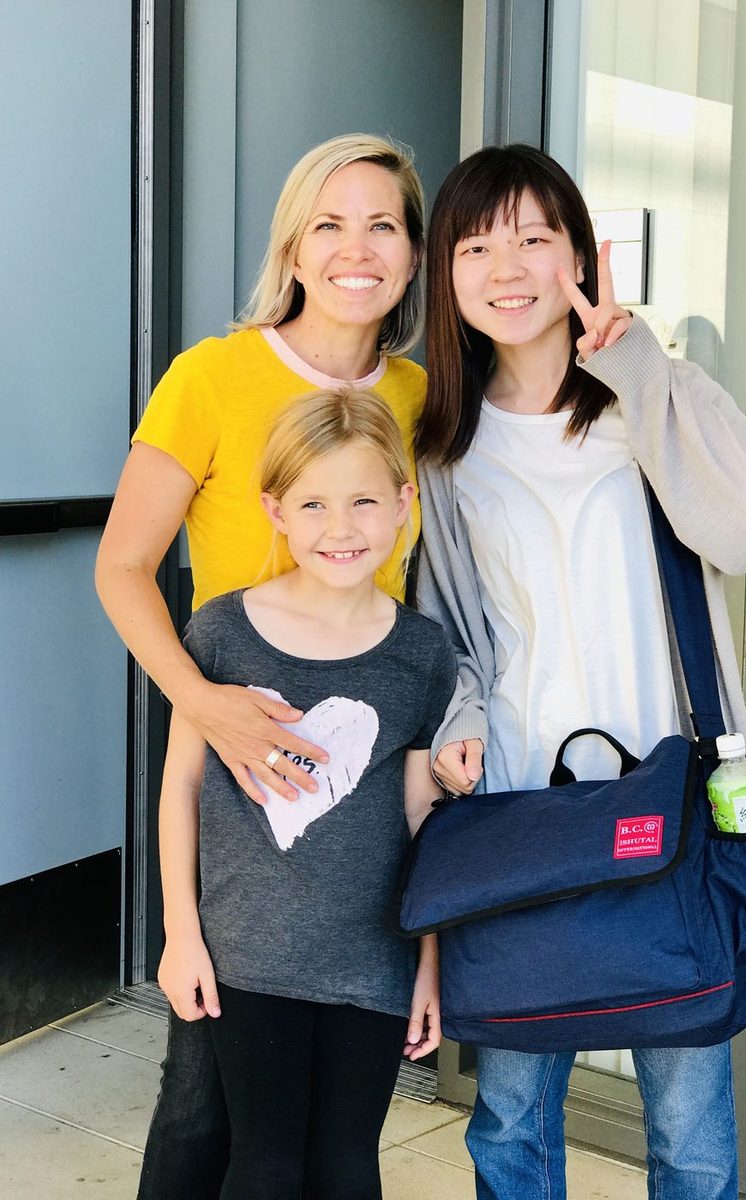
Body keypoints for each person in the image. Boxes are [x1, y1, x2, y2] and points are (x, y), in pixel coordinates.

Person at [414, 144, 746, 1200]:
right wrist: (458, 721)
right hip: (518, 809)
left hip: (669, 794)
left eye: (535, 239)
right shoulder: (443, 447)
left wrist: (642, 368)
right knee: (509, 1121)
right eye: (476, 246)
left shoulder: (649, 402)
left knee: (690, 1126)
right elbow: (444, 632)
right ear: (447, 274)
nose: (507, 268)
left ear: (580, 258)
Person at [95, 133, 428, 1199]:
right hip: (234, 776)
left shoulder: (422, 396)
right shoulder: (211, 376)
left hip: (360, 801)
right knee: (205, 1100)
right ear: (291, 247)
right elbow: (123, 567)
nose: (356, 249)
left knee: (327, 1138)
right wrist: (206, 705)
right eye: (329, 223)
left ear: (414, 253)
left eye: (383, 225)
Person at [157, 387, 456, 1199]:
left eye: (364, 501)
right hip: (247, 956)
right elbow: (182, 785)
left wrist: (429, 962)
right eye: (315, 503)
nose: (340, 527)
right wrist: (181, 935)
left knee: (347, 1169)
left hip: (375, 959)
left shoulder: (422, 654)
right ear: (275, 511)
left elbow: (422, 815)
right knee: (265, 1167)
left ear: (403, 503)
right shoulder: (221, 633)